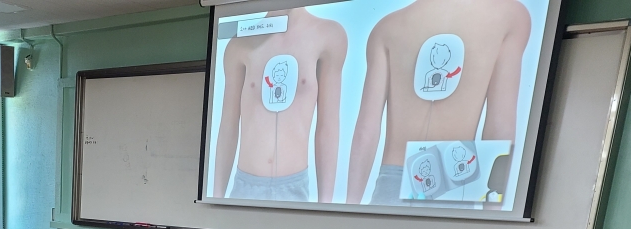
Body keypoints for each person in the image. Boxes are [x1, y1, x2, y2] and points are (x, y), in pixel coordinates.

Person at [347, 0, 531, 205]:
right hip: (456, 182)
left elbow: (366, 131)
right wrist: (492, 209)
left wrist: (348, 209)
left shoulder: (387, 27)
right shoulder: (509, 15)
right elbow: (500, 128)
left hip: (391, 186)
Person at [213, 8, 346, 203]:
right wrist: (216, 198)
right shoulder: (240, 43)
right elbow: (228, 127)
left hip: (295, 188)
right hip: (245, 187)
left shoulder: (328, 35)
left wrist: (325, 205)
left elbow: (328, 127)